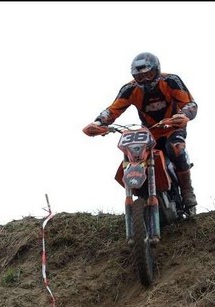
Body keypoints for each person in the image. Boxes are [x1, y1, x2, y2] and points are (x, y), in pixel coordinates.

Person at [82, 52, 199, 209]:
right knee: (135, 155)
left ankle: (187, 190)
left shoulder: (171, 81)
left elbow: (190, 104)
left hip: (172, 126)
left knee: (176, 148)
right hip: (149, 132)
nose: (145, 80)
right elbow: (112, 110)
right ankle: (142, 189)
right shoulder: (129, 89)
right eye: (140, 77)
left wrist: (184, 115)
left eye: (148, 75)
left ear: (157, 71)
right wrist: (98, 123)